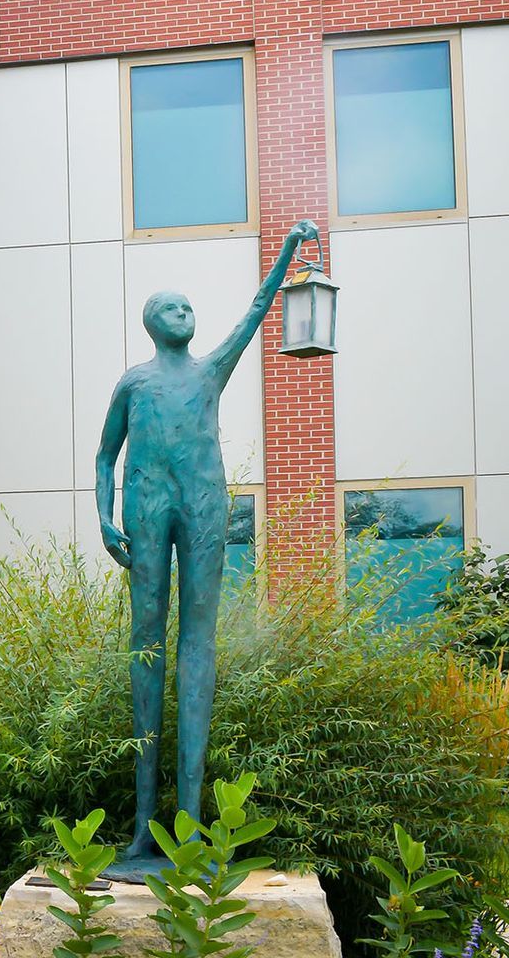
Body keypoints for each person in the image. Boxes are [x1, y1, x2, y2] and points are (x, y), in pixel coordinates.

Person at [95, 218, 318, 863]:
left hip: (204, 504)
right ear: (150, 322)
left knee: (198, 643)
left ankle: (188, 825)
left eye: (189, 306)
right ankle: (143, 828)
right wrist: (103, 516)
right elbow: (106, 453)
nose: (185, 312)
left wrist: (284, 256)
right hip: (145, 505)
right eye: (172, 306)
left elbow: (254, 312)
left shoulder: (209, 370)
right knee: (145, 644)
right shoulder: (135, 382)